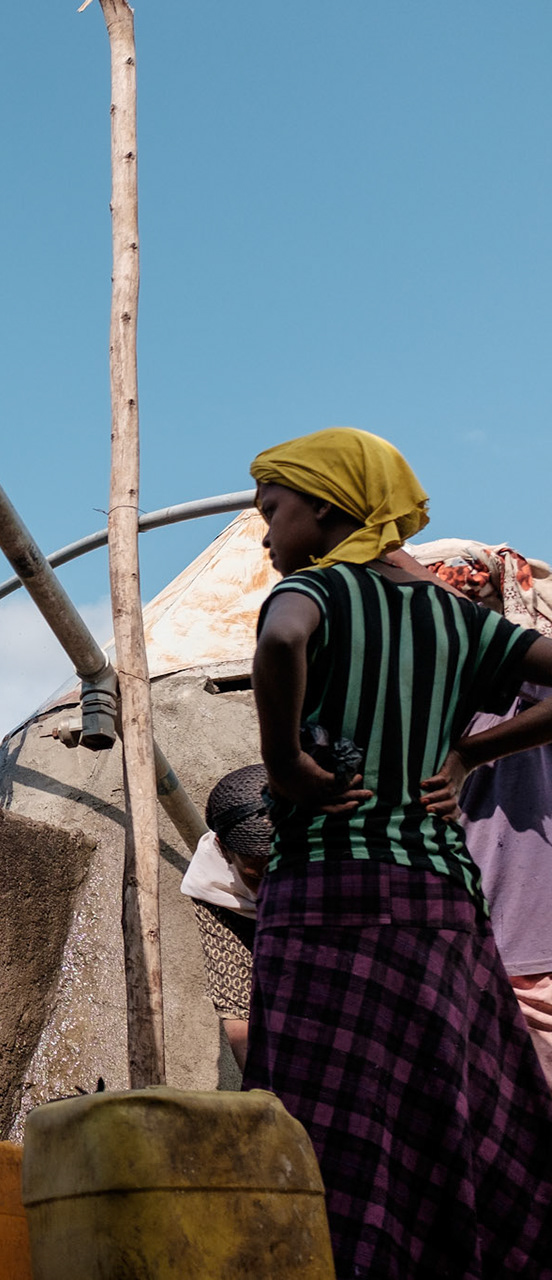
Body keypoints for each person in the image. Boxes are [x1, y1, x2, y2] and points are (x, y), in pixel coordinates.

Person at [246, 426, 552, 1275]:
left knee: (331, 1129)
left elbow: (281, 642)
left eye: (272, 510)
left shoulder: (318, 592)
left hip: (326, 897)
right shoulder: (457, 620)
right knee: (444, 1114)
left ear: (329, 507)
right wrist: (471, 753)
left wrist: (285, 764)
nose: (266, 533)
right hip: (443, 907)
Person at [414, 539, 552, 1084]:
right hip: (442, 939)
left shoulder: (528, 681)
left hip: (525, 943)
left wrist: (469, 756)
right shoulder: (412, 689)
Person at [179, 764, 267, 1070]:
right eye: (256, 876)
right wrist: (262, 1087)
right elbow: (237, 1003)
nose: (271, 889)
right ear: (224, 850)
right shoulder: (215, 890)